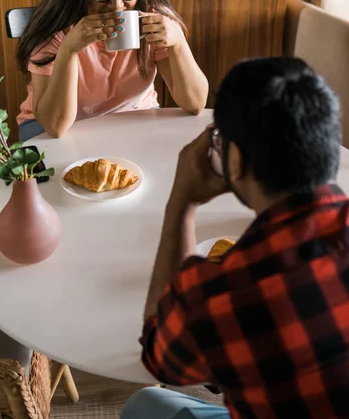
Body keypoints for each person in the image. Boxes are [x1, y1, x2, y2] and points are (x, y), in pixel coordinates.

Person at [122, 57, 349, 419]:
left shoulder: (225, 296)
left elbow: (160, 356)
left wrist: (182, 202)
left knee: (143, 405)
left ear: (237, 159)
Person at [16, 0, 208, 140]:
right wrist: (68, 50)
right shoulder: (54, 29)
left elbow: (195, 104)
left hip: (134, 120)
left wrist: (178, 43)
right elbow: (55, 127)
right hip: (57, 131)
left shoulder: (150, 20)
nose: (117, 5)